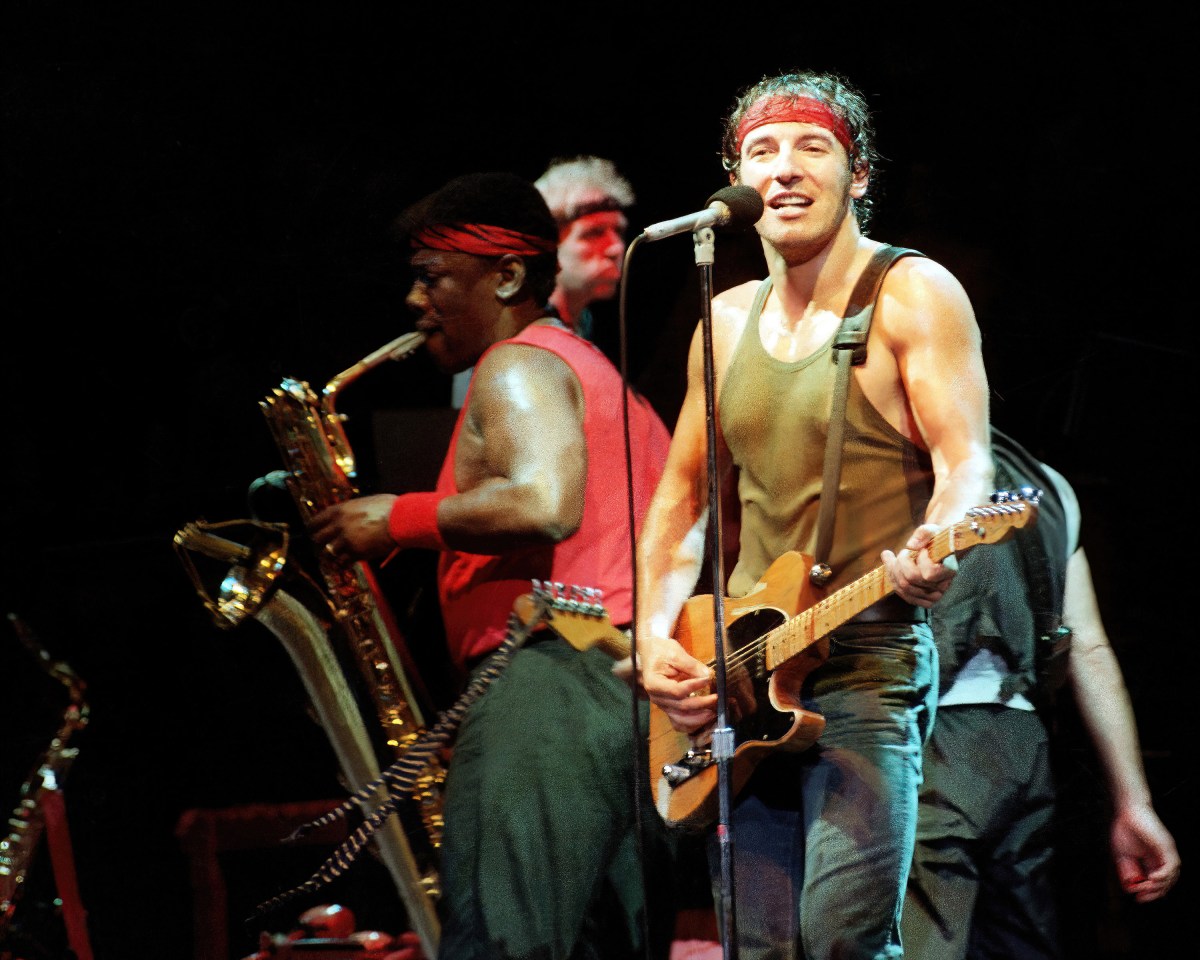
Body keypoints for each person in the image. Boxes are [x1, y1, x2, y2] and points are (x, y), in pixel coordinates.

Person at [633, 70, 993, 960]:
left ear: (858, 173)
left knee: (841, 940)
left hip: (866, 657)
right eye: (761, 151)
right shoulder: (722, 321)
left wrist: (940, 541)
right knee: (760, 946)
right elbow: (680, 501)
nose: (785, 169)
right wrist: (651, 635)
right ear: (736, 182)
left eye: (811, 147)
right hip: (741, 667)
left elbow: (965, 463)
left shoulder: (913, 292)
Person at [309, 171, 675, 960]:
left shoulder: (519, 362)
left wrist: (395, 518)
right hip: (633, 694)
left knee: (502, 944)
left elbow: (544, 502)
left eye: (432, 277)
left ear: (507, 277)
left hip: (550, 681)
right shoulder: (611, 387)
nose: (414, 301)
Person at [901, 428, 1181, 959]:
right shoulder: (1049, 487)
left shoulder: (889, 472)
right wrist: (1134, 802)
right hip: (1023, 750)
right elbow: (1089, 649)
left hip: (928, 738)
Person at [450, 156, 634, 407]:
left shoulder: (583, 321)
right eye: (593, 233)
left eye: (619, 231)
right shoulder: (507, 325)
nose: (616, 248)